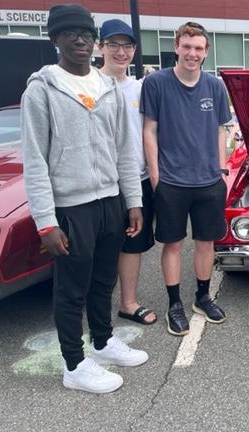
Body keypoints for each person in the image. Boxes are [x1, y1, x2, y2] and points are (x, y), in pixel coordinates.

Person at [21, 3, 148, 394]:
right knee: (71, 289)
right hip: (70, 207)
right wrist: (46, 222)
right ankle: (74, 365)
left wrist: (133, 200)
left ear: (94, 41)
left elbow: (126, 150)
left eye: (86, 34)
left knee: (103, 279)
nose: (80, 40)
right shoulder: (42, 90)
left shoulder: (107, 87)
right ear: (54, 39)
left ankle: (103, 341)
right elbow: (35, 161)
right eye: (70, 33)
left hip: (110, 201)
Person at [142, 21, 231, 336]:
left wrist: (220, 168)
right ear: (176, 48)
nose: (192, 53)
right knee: (173, 244)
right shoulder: (156, 83)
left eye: (198, 48)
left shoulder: (215, 86)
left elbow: (222, 128)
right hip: (171, 181)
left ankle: (202, 297)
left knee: (206, 243)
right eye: (187, 47)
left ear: (205, 52)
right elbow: (149, 130)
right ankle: (174, 304)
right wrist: (155, 176)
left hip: (208, 181)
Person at [99, 19, 157, 326]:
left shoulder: (141, 88)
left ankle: (128, 302)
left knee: (133, 243)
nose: (121, 52)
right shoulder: (91, 85)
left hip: (139, 179)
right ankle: (94, 304)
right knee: (101, 245)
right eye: (114, 44)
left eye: (127, 46)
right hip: (103, 183)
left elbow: (152, 132)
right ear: (101, 47)